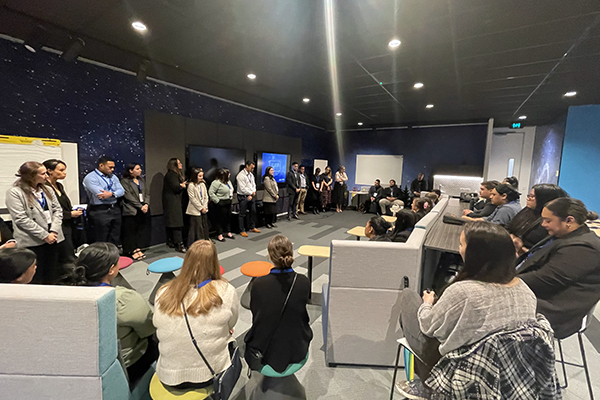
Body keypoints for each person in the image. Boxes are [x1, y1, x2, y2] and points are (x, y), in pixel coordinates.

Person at [395, 221, 538, 398]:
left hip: (456, 367)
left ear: (475, 255)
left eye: (461, 244)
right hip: (504, 373)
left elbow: (428, 325)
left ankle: (426, 383)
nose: (459, 249)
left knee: (409, 297)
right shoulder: (526, 291)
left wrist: (427, 304)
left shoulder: (464, 292)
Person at [60, 242, 157, 383]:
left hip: (84, 364)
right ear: (112, 270)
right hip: (126, 364)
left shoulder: (67, 295)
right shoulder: (122, 299)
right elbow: (148, 328)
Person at [153, 240, 239, 389]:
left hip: (168, 375)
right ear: (214, 262)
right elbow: (232, 323)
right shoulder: (226, 290)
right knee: (232, 339)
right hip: (209, 375)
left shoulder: (162, 291)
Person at [517, 198, 600, 339]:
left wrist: (504, 282)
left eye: (548, 221)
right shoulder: (564, 237)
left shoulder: (584, 248)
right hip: (539, 296)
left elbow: (545, 280)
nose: (543, 224)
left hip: (555, 311)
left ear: (569, 221)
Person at [244, 235, 312, 374]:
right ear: (291, 254)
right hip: (297, 346)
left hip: (265, 351)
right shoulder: (303, 282)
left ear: (269, 256)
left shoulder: (259, 284)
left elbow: (256, 314)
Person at [6, 161, 64, 284]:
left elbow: (57, 210)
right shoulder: (15, 193)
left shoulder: (47, 189)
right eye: (43, 174)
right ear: (31, 176)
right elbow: (20, 218)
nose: (46, 176)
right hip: (32, 241)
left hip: (53, 237)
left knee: (51, 273)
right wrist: (44, 235)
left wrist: (54, 230)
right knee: (35, 277)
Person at [507, 184, 568, 256]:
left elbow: (545, 248)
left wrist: (523, 249)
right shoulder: (527, 211)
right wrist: (512, 237)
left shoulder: (552, 221)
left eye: (532, 196)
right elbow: (509, 227)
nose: (528, 199)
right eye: (528, 195)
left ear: (544, 199)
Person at [44, 159, 82, 263]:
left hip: (67, 223)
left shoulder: (59, 186)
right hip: (54, 226)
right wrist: (69, 214)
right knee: (63, 254)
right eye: (61, 170)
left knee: (69, 251)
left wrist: (72, 211)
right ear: (49, 171)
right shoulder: (43, 188)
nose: (64, 173)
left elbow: (64, 204)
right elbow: (49, 210)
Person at [82, 156, 125, 245]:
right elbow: (100, 195)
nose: (112, 170)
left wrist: (111, 194)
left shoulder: (113, 177)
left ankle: (113, 257)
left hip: (114, 209)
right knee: (101, 238)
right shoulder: (90, 177)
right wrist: (115, 193)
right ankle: (102, 258)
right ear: (101, 165)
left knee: (114, 236)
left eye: (113, 167)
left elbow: (122, 191)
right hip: (99, 210)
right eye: (110, 167)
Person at [121, 163, 150, 260]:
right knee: (130, 231)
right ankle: (131, 250)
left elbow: (147, 193)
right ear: (130, 170)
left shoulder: (141, 180)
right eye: (137, 169)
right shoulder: (125, 181)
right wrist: (139, 206)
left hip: (142, 209)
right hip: (131, 210)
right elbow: (128, 196)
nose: (140, 170)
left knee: (139, 231)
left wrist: (146, 204)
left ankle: (138, 248)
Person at [162, 158, 187, 253]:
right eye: (179, 163)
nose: (181, 164)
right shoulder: (171, 175)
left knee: (173, 222)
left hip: (173, 202)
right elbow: (176, 187)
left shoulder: (172, 174)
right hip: (172, 203)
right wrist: (182, 186)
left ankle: (171, 241)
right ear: (174, 165)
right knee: (176, 223)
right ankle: (179, 244)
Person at [208, 168, 234, 242]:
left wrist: (230, 198)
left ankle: (228, 232)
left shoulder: (228, 182)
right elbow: (211, 192)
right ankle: (219, 234)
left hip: (228, 202)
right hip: (220, 203)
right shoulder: (216, 182)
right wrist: (217, 201)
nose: (229, 175)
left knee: (228, 217)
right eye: (228, 174)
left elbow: (231, 190)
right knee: (219, 219)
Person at [186, 167, 209, 246]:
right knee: (195, 229)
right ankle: (192, 246)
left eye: (202, 176)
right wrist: (200, 208)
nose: (201, 178)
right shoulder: (191, 185)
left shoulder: (202, 184)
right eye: (199, 176)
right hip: (194, 211)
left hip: (204, 209)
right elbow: (192, 199)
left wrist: (205, 206)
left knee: (204, 227)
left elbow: (206, 196)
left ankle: (205, 243)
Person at [236, 161, 260, 237]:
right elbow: (242, 188)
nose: (252, 169)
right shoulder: (240, 175)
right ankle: (242, 230)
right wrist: (250, 193)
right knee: (242, 213)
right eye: (251, 167)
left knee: (253, 211)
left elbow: (253, 185)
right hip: (243, 196)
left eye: (253, 168)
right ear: (247, 166)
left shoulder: (251, 175)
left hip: (251, 195)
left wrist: (253, 192)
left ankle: (252, 227)